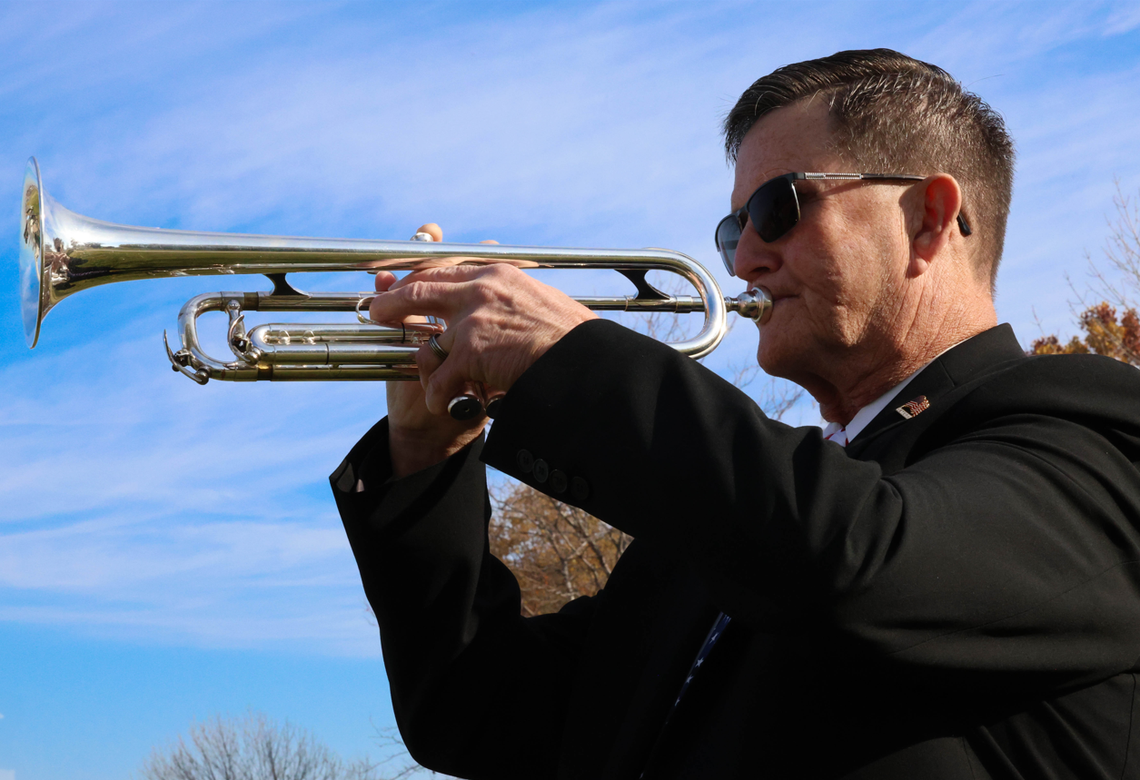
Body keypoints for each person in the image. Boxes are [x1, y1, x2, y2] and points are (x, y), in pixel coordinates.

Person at [331, 49, 1140, 779]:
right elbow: (481, 718)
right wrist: (425, 450)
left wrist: (569, 359)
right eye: (734, 228)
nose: (746, 257)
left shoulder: (1090, 429)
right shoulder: (715, 539)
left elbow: (857, 560)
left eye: (780, 208)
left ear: (927, 219)